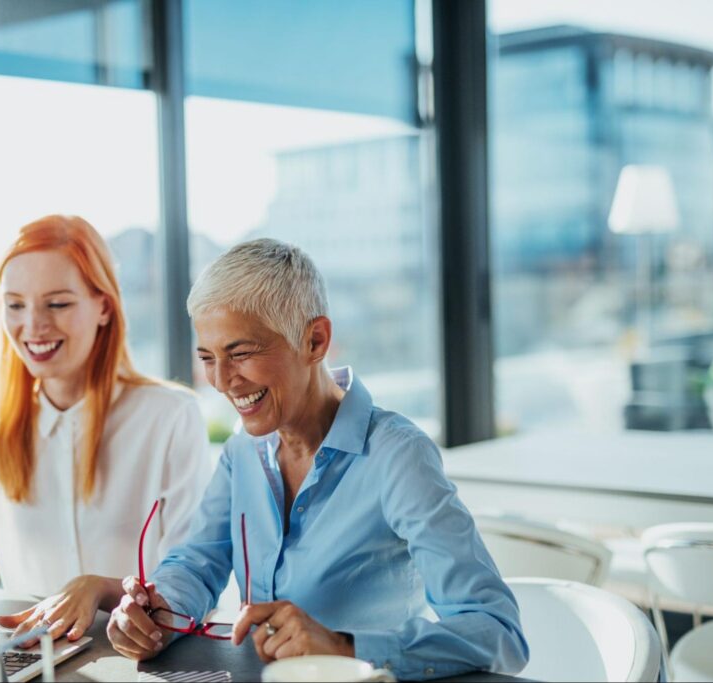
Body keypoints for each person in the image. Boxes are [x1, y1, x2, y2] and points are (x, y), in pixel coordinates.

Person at [106, 239, 528, 680]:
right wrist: (157, 612)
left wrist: (345, 647)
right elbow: (197, 564)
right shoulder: (242, 451)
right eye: (208, 358)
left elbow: (498, 632)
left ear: (315, 340)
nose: (222, 381)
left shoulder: (398, 456)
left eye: (241, 353)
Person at [0, 215, 211, 645]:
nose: (34, 325)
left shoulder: (170, 417)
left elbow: (192, 577)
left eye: (57, 304)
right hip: (32, 658)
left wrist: (101, 589)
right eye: (15, 305)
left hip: (141, 661)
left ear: (104, 307)